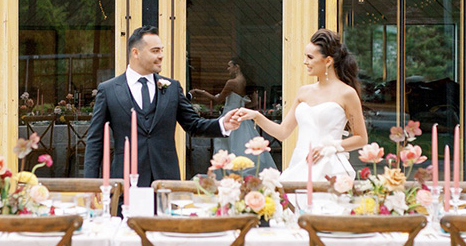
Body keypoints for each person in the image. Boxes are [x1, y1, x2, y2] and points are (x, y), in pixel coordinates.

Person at [84, 26, 241, 186]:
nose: (161, 56)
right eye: (155, 51)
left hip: (166, 182)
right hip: (125, 184)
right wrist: (89, 187)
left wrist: (222, 124)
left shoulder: (172, 88)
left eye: (161, 50)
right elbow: (95, 141)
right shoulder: (109, 90)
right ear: (136, 53)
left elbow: (193, 125)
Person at [235, 29, 368, 182]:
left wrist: (329, 147)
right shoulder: (303, 92)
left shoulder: (347, 93)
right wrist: (256, 116)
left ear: (328, 61)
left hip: (328, 166)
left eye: (310, 57)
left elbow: (361, 138)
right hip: (300, 162)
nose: (305, 61)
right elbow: (282, 132)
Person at [192, 58, 277, 170]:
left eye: (229, 66)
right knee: (242, 147)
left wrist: (200, 92)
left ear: (237, 67)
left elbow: (217, 100)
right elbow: (253, 103)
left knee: (225, 148)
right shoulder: (245, 82)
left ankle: (227, 173)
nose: (228, 69)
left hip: (229, 117)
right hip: (243, 118)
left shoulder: (232, 83)